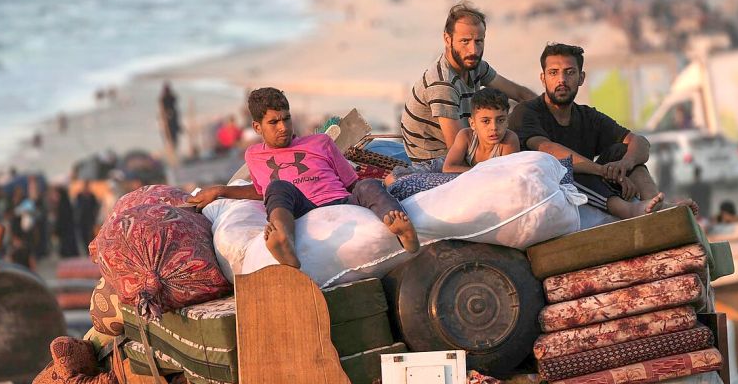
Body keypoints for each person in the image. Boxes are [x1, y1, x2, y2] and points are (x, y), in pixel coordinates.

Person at [188, 87, 420, 267]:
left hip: (340, 199)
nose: (283, 127)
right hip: (302, 208)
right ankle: (283, 239)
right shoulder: (254, 155)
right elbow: (262, 192)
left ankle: (399, 225)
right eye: (274, 122)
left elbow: (352, 183)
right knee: (278, 187)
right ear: (257, 127)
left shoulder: (320, 142)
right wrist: (220, 190)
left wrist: (371, 190)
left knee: (368, 185)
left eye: (286, 118)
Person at [509, 43, 696, 219]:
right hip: (548, 188)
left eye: (569, 72)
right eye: (553, 73)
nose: (562, 80)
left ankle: (656, 204)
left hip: (591, 186)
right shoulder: (526, 112)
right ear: (543, 78)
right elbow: (547, 149)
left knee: (623, 150)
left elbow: (640, 142)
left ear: (581, 78)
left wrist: (624, 165)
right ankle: (630, 210)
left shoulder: (587, 116)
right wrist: (602, 171)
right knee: (566, 168)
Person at [399, 2, 536, 166]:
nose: (473, 50)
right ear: (447, 39)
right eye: (465, 41)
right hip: (438, 160)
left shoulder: (474, 65)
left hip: (470, 145)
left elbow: (520, 94)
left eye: (479, 41)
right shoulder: (442, 85)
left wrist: (549, 113)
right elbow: (458, 150)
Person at [442, 87, 520, 173]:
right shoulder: (465, 136)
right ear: (473, 124)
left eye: (500, 120)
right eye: (486, 121)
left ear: (507, 121)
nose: (494, 127)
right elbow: (448, 168)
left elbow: (507, 174)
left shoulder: (509, 140)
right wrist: (484, 172)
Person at [159, 81, 182, 151]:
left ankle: (172, 147)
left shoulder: (170, 97)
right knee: (169, 134)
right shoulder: (163, 98)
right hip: (167, 118)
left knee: (172, 134)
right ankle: (170, 148)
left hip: (172, 118)